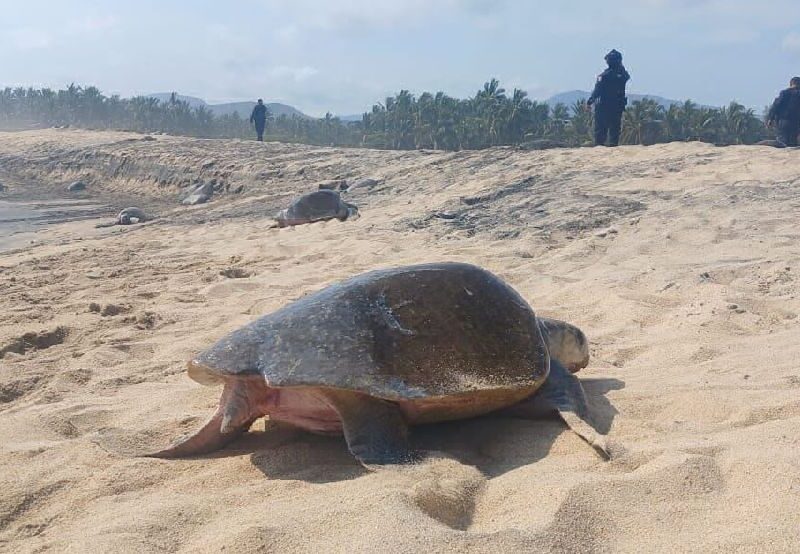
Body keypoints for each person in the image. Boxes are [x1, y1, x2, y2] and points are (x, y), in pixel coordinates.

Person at [587, 49, 630, 147]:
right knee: (615, 130)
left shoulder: (604, 76)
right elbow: (626, 75)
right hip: (617, 106)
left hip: (603, 106)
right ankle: (613, 146)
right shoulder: (622, 75)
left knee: (600, 131)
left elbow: (597, 91)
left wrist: (590, 101)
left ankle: (600, 147)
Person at [767, 77, 800, 147]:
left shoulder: (784, 93)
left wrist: (770, 118)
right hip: (796, 122)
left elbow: (776, 105)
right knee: (793, 142)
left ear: (791, 83)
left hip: (783, 121)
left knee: (782, 142)